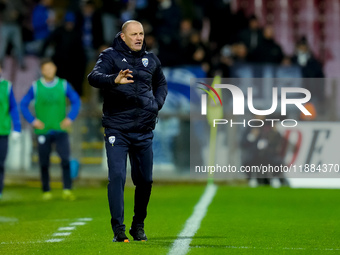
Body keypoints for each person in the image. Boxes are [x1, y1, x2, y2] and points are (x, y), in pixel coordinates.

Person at [88, 20, 167, 242]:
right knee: (117, 176)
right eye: (134, 34)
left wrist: (156, 104)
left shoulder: (151, 59)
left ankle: (138, 225)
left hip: (143, 129)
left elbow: (161, 83)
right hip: (117, 129)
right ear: (123, 36)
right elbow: (93, 78)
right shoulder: (109, 56)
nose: (139, 37)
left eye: (141, 33)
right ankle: (118, 230)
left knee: (145, 180)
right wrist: (114, 79)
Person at [20, 59, 81, 201]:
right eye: (45, 69)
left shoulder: (63, 85)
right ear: (42, 71)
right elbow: (23, 104)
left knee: (65, 160)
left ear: (55, 69)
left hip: (61, 130)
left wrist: (70, 118)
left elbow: (76, 101)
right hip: (43, 132)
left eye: (51, 68)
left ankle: (67, 189)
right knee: (44, 162)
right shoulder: (36, 86)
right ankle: (46, 190)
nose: (48, 71)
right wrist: (33, 121)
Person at [0, 66, 21, 199]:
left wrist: (17, 128)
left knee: (0, 163)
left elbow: (13, 108)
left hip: (3, 130)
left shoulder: (7, 86)